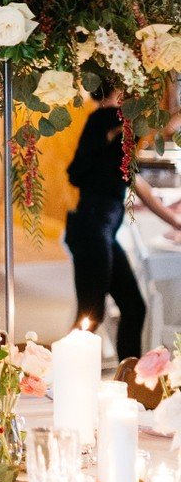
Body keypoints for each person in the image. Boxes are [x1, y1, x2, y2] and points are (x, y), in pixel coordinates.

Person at [65, 82, 181, 360]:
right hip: (94, 230)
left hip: (96, 230)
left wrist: (177, 223)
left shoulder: (108, 126)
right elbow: (166, 127)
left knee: (132, 307)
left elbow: (137, 184)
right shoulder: (110, 118)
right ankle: (58, 378)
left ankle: (128, 381)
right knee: (90, 315)